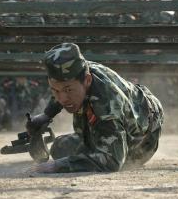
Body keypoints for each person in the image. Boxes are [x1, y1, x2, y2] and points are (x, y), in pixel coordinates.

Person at [29, 43, 164, 173]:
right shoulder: (76, 70)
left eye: (68, 90)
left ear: (87, 80)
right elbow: (62, 87)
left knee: (114, 160)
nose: (62, 98)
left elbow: (112, 161)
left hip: (145, 134)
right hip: (126, 104)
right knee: (59, 147)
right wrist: (47, 115)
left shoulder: (107, 105)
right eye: (55, 91)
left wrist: (58, 166)